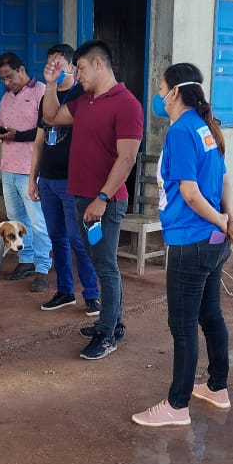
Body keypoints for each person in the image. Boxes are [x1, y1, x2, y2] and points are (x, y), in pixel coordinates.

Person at [130, 63, 233, 427]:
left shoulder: (181, 131)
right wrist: (227, 220)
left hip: (190, 241)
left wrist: (224, 221)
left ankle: (176, 406)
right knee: (210, 316)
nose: (159, 96)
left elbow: (191, 194)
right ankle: (217, 387)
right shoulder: (206, 127)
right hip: (212, 242)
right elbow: (225, 181)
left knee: (182, 326)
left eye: (161, 89)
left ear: (175, 92)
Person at [42, 40, 143, 360]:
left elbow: (127, 159)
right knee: (100, 262)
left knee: (105, 266)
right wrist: (49, 85)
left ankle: (108, 333)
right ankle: (113, 321)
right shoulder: (84, 101)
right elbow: (51, 118)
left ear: (99, 64)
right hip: (81, 198)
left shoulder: (127, 104)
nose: (77, 74)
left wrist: (102, 197)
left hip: (106, 203)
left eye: (81, 68)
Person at [28, 44, 100, 316]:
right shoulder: (46, 97)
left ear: (72, 67)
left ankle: (92, 295)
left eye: (59, 64)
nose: (53, 69)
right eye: (50, 65)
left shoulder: (83, 95)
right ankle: (65, 291)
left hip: (74, 182)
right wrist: (32, 179)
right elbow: (38, 142)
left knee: (78, 239)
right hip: (48, 180)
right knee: (56, 237)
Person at [0, 52, 52, 293]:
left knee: (38, 223)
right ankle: (25, 260)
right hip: (8, 167)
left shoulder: (41, 93)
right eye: (3, 80)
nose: (7, 83)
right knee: (17, 220)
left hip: (31, 170)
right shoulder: (6, 97)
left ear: (21, 69)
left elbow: (46, 130)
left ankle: (42, 268)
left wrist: (18, 136)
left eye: (10, 77)